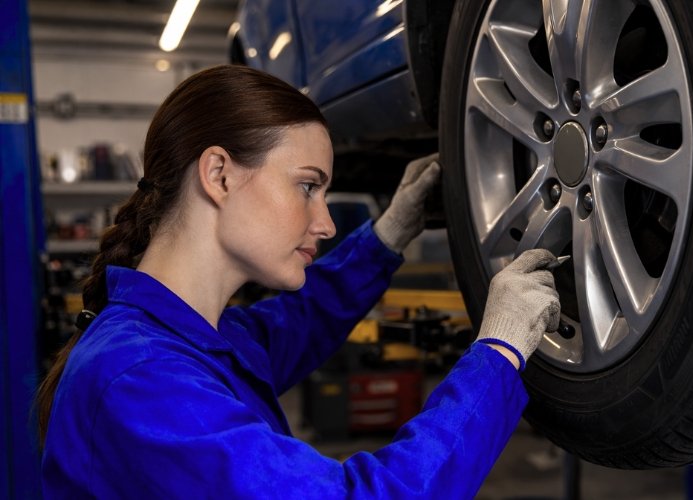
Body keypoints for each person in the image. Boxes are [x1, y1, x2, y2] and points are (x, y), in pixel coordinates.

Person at [36, 65, 561, 499]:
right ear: (218, 174)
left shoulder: (183, 340)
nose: (327, 223)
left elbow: (299, 322)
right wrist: (497, 356)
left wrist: (387, 236)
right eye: (307, 186)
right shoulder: (140, 381)